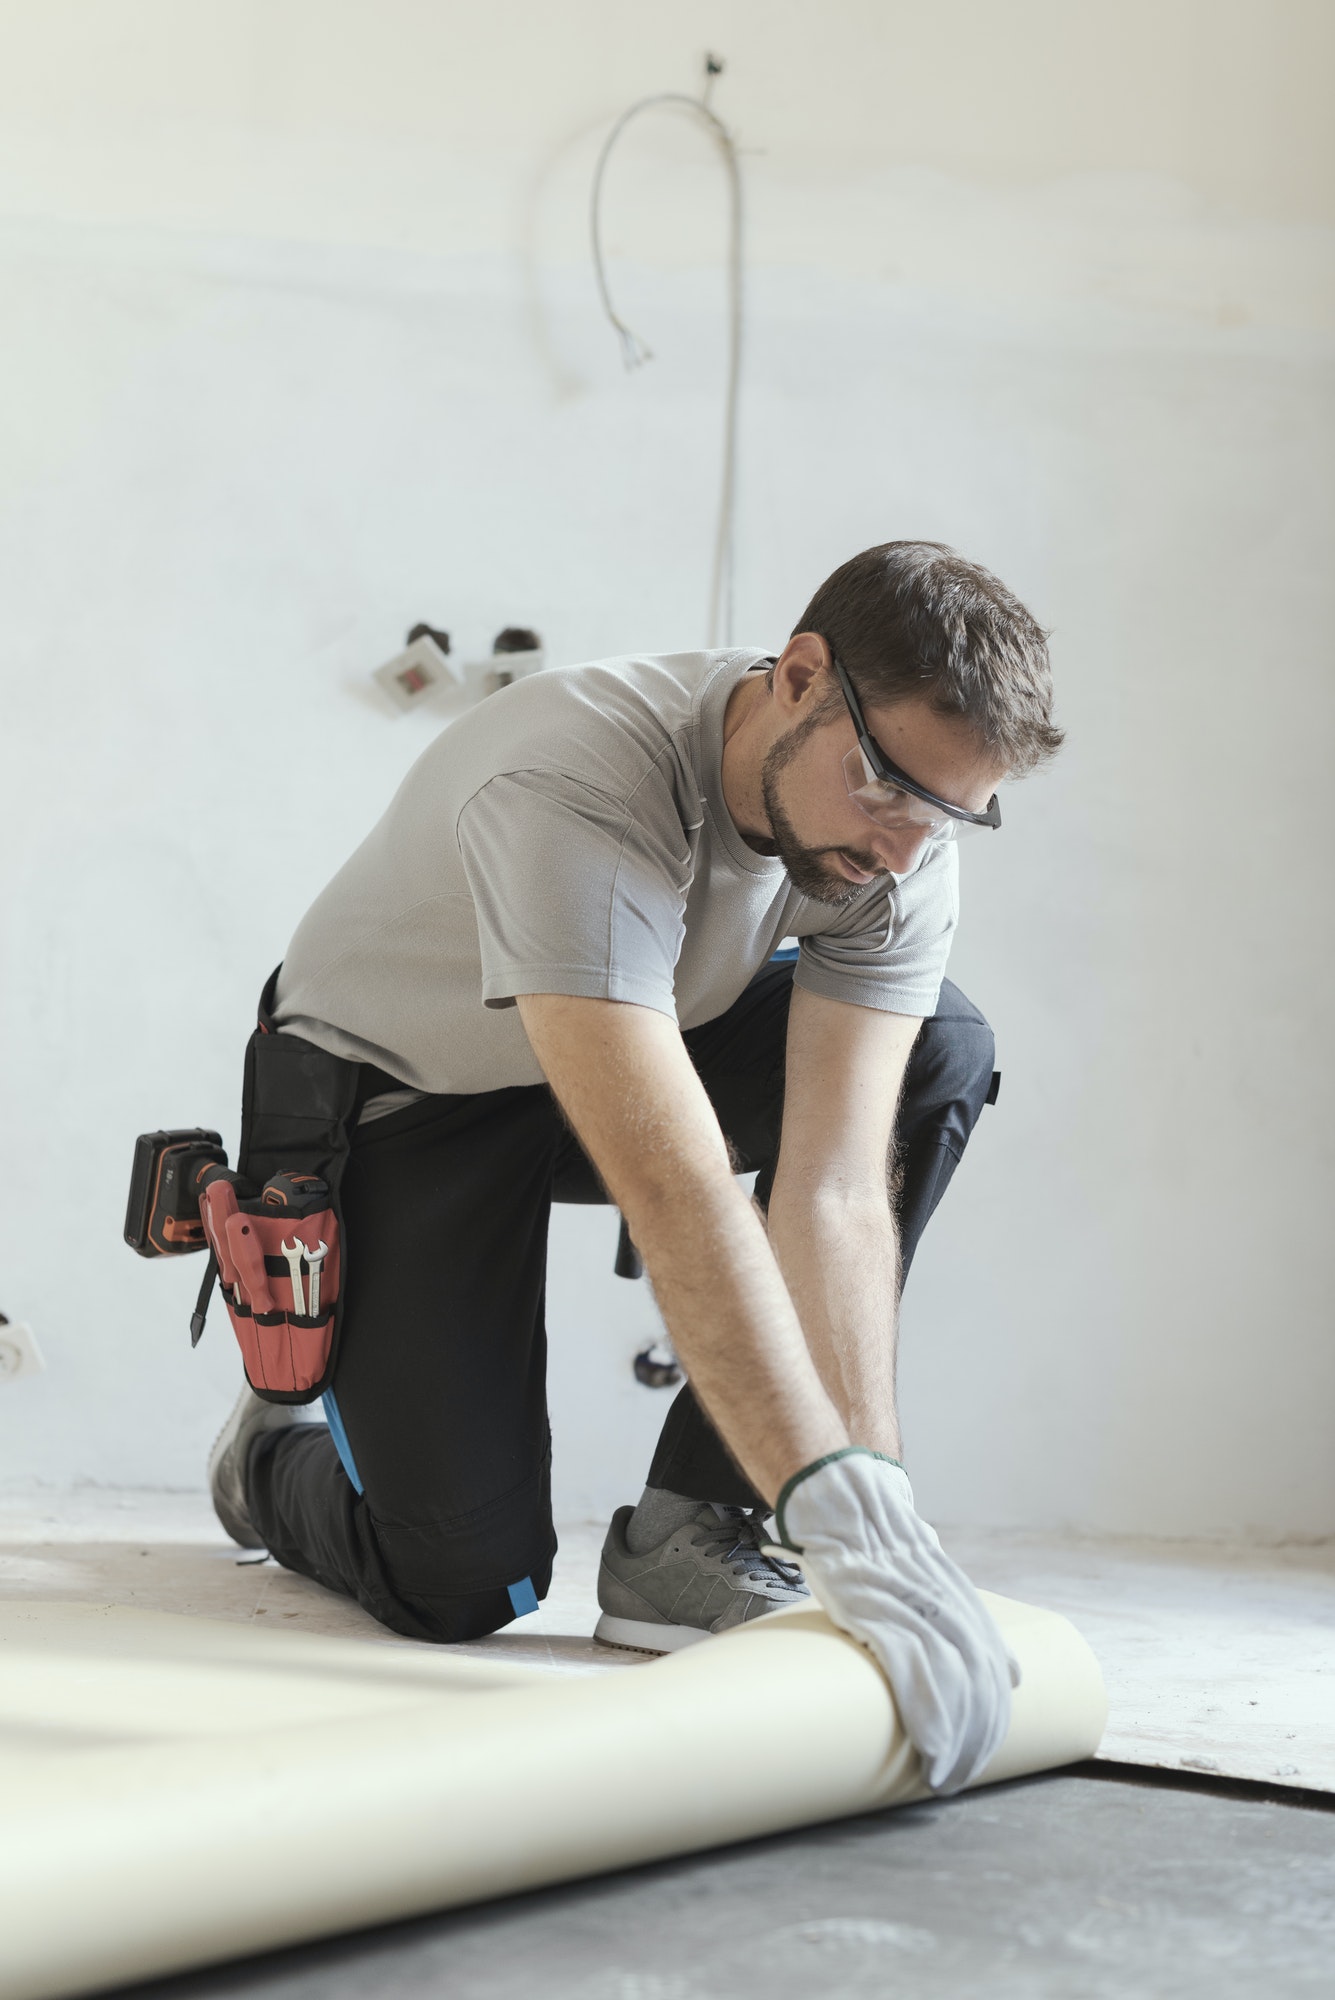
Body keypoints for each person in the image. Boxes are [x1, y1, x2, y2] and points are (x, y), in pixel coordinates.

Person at [209, 540, 1062, 1793]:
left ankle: (694, 1525)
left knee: (941, 1047)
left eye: (947, 811)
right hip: (407, 1090)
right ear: (801, 675)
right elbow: (677, 1187)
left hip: (630, 1033)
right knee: (458, 1582)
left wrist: (868, 1507)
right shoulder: (578, 779)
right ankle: (268, 1458)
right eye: (885, 787)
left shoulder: (901, 843)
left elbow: (833, 1186)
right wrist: (836, 1502)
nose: (901, 849)